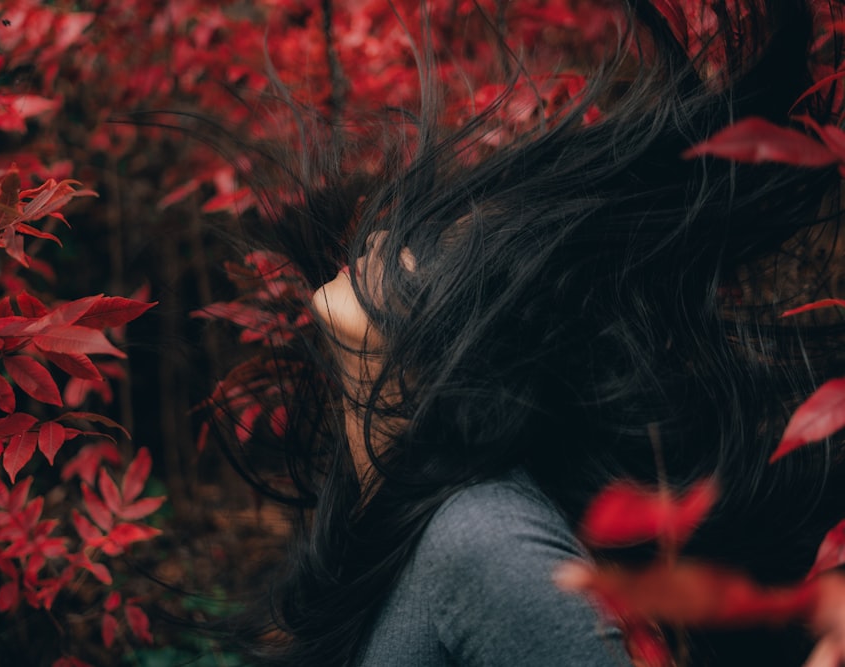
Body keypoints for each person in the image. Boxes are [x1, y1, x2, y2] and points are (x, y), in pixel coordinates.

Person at [207, 0, 845, 664]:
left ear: (469, 354)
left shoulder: (486, 539)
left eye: (420, 256)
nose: (378, 243)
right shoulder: (383, 524)